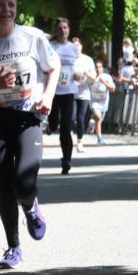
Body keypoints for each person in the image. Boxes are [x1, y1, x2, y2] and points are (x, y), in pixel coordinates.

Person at [0, 0, 59, 269]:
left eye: (11, 4)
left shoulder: (32, 37)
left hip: (29, 116)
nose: (7, 10)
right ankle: (14, 248)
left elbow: (52, 68)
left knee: (24, 180)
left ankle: (31, 207)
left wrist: (48, 96)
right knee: (5, 187)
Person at [47, 18, 78, 173]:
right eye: (60, 28)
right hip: (54, 91)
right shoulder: (51, 47)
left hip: (69, 92)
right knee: (54, 123)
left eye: (65, 28)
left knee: (66, 127)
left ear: (69, 30)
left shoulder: (74, 48)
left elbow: (77, 68)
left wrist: (79, 76)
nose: (63, 31)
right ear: (56, 30)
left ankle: (67, 159)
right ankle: (51, 125)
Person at [71, 37, 95, 153]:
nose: (76, 47)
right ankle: (69, 137)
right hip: (71, 93)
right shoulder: (69, 59)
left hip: (84, 94)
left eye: (78, 45)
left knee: (81, 118)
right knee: (72, 118)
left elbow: (94, 78)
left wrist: (86, 73)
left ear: (81, 46)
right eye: (74, 45)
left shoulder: (88, 60)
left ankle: (79, 141)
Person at [88, 60, 116, 144]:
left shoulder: (107, 77)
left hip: (104, 102)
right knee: (98, 118)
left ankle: (92, 123)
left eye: (99, 67)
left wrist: (105, 83)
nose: (97, 69)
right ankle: (99, 138)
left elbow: (112, 89)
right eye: (96, 67)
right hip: (94, 101)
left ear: (102, 68)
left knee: (99, 119)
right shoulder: (91, 77)